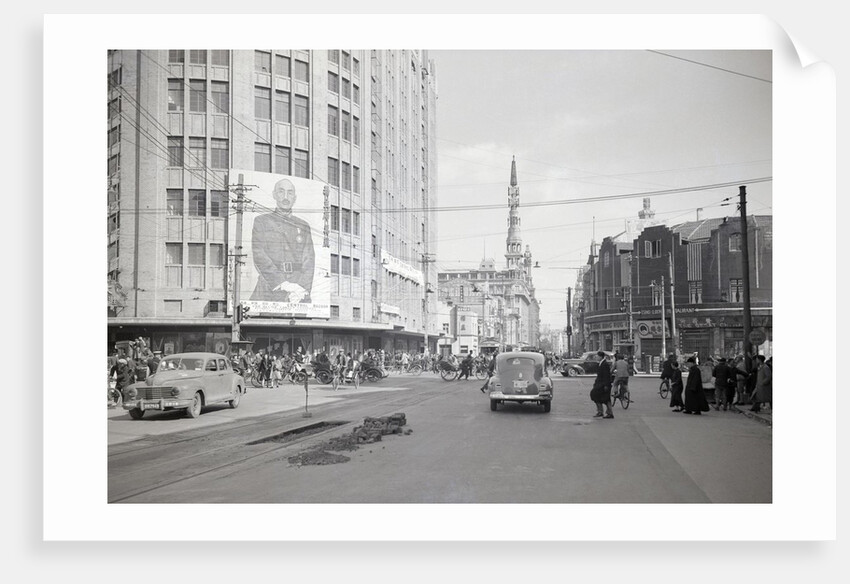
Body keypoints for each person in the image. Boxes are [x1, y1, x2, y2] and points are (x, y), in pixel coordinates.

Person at [250, 178, 315, 303]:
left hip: (298, 292)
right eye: (281, 191)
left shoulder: (303, 226)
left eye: (290, 193)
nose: (286, 197)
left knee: (301, 321)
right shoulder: (262, 221)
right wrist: (282, 283)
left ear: (294, 198)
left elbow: (309, 261)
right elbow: (259, 254)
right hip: (269, 288)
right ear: (274, 194)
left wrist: (301, 289)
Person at [590, 351, 614, 419]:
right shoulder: (601, 363)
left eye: (597, 356)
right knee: (595, 396)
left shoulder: (604, 364)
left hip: (603, 384)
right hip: (600, 384)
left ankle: (609, 413)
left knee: (605, 399)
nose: (596, 357)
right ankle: (600, 411)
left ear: (601, 356)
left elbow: (606, 375)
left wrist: (606, 385)